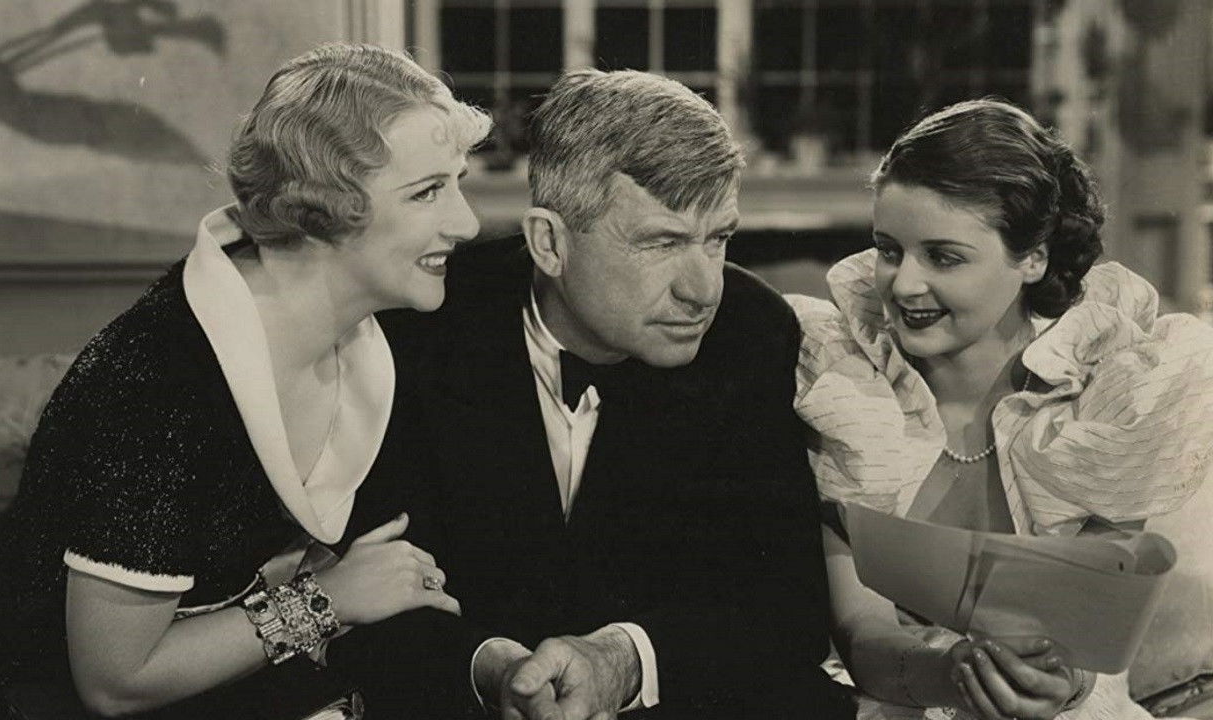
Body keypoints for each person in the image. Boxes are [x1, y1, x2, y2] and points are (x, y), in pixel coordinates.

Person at [0, 42, 490, 719]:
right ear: (322, 206)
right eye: (428, 191)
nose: (466, 222)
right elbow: (115, 682)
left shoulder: (370, 338)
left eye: (457, 183)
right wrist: (328, 600)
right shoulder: (159, 382)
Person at [377, 69, 856, 720]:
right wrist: (491, 668)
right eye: (662, 242)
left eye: (718, 239)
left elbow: (786, 609)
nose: (703, 290)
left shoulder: (751, 331)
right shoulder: (419, 330)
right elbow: (379, 600)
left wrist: (626, 661)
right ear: (550, 242)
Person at [785, 98, 1213, 720]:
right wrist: (950, 674)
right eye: (889, 250)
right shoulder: (845, 391)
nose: (904, 284)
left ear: (1032, 258)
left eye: (944, 256)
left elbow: (1090, 642)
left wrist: (1058, 685)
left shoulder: (1106, 397)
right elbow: (860, 631)